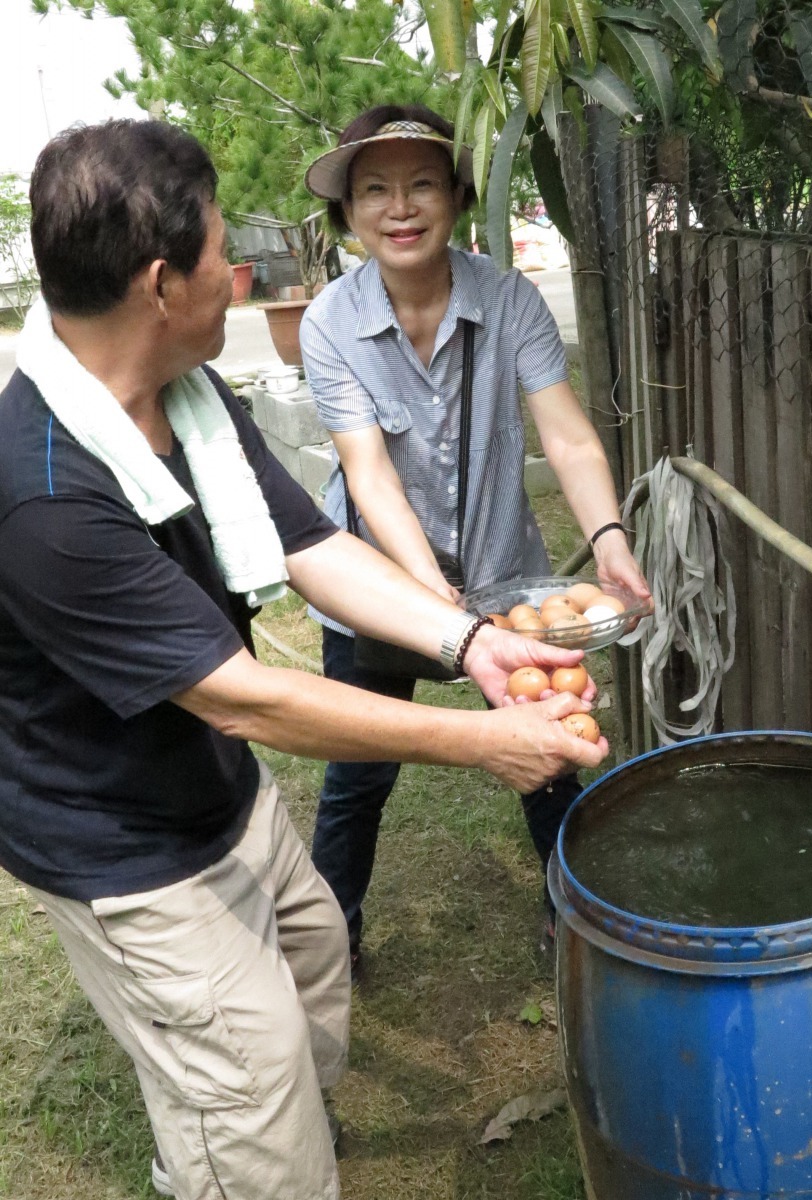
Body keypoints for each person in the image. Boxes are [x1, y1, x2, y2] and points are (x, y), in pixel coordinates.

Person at [0, 119, 612, 1200]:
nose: (235, 280)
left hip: (216, 793)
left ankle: (241, 1134)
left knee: (315, 956)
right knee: (248, 1094)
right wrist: (486, 741)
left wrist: (473, 644)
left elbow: (316, 543)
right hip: (123, 844)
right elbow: (246, 700)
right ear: (158, 284)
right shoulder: (45, 495)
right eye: (221, 258)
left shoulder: (187, 396)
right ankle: (241, 1161)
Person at [300, 104, 652, 975]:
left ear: (455, 196)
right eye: (374, 190)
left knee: (553, 754)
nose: (400, 207)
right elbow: (369, 475)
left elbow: (566, 436)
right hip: (381, 591)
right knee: (357, 777)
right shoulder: (327, 324)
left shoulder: (509, 298)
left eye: (421, 183)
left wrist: (607, 537)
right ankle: (330, 935)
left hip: (502, 576)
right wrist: (425, 597)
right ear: (349, 213)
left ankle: (576, 924)